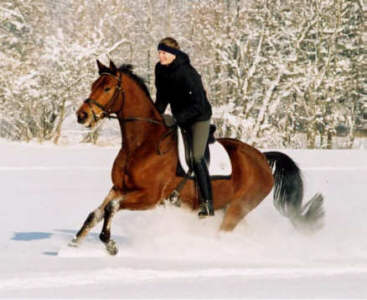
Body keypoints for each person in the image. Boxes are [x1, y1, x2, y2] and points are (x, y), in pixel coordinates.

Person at [154, 37, 214, 217]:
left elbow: (199, 105)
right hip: (179, 116)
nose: (160, 56)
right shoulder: (160, 69)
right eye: (159, 53)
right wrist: (155, 116)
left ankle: (207, 204)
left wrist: (178, 118)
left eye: (163, 53)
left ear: (174, 54)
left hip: (198, 118)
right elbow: (162, 97)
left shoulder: (188, 73)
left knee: (196, 157)